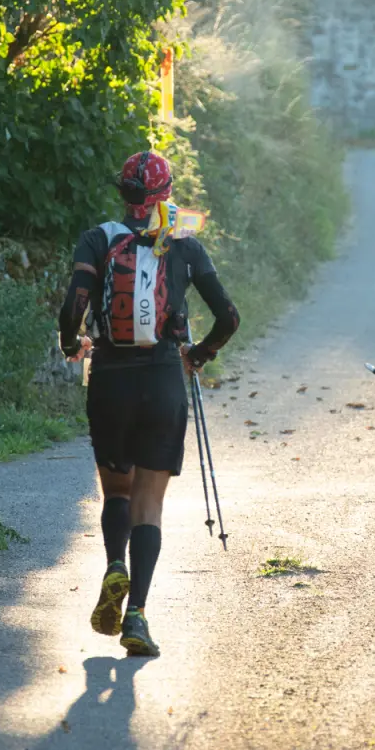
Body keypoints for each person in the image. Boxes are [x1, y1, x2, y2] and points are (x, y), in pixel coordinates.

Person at [59, 150, 239, 657]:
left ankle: (114, 563)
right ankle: (136, 614)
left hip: (111, 378)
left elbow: (72, 306)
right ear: (165, 196)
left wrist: (73, 344)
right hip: (163, 380)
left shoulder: (97, 238)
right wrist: (198, 354)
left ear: (122, 192)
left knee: (116, 488)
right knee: (150, 504)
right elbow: (229, 317)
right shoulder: (183, 245)